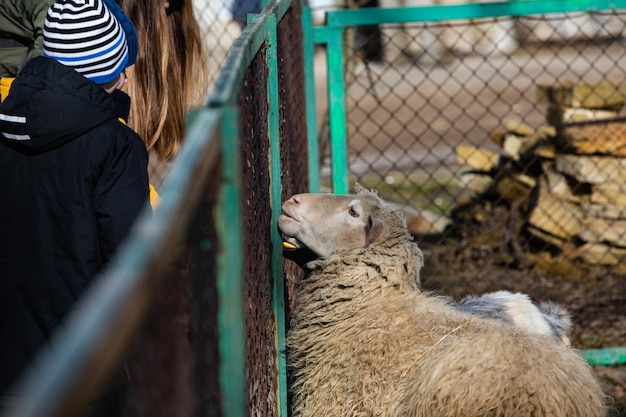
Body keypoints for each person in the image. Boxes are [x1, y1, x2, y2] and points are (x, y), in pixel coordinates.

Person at [0, 0, 148, 411]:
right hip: (84, 363)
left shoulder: (4, 123)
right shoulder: (116, 147)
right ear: (113, 70)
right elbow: (133, 258)